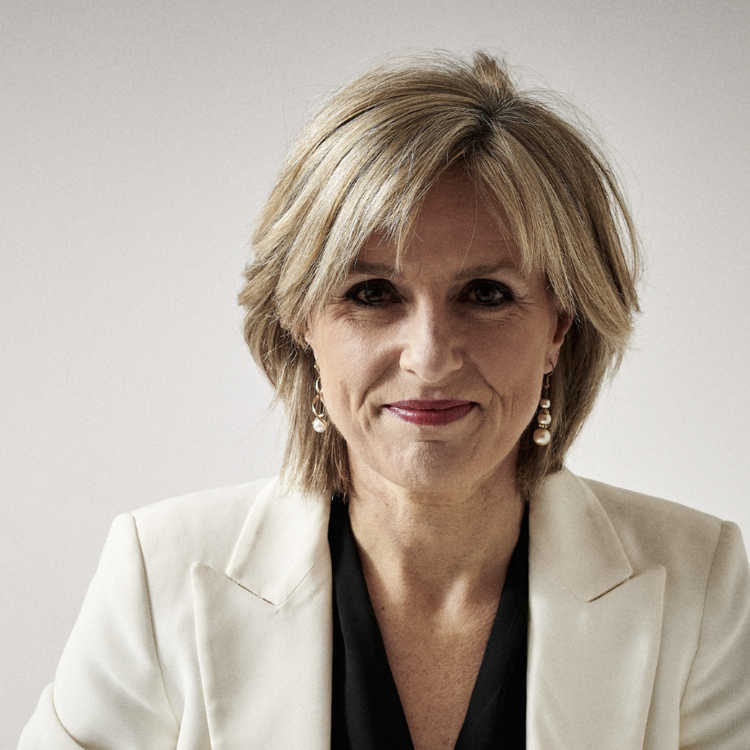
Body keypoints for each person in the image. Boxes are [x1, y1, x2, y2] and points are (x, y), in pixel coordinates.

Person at [19, 51, 750, 750]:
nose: (429, 357)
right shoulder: (158, 577)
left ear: (560, 324)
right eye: (372, 294)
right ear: (302, 320)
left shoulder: (700, 583)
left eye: (486, 294)